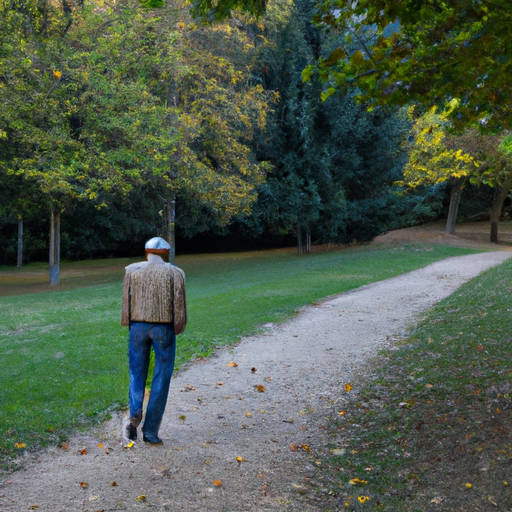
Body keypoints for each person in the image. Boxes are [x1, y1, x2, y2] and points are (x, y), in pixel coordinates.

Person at [121, 237, 187, 445]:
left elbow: (125, 303)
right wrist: (178, 326)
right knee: (161, 376)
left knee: (136, 372)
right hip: (163, 328)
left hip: (137, 328)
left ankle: (134, 417)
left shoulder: (131, 271)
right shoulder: (175, 273)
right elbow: (179, 305)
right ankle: (150, 431)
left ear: (146, 251)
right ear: (166, 253)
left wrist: (127, 321)